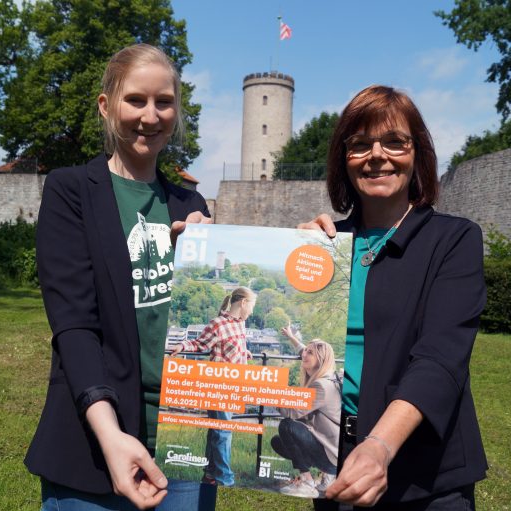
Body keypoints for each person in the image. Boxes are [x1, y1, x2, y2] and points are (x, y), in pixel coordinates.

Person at [25, 44, 215, 511]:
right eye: (136, 100)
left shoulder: (192, 207)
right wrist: (110, 435)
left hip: (182, 438)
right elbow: (74, 325)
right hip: (96, 439)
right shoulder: (72, 191)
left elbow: (211, 325)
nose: (150, 116)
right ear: (107, 106)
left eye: (164, 102)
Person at [299, 85, 488, 510]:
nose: (377, 155)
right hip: (335, 458)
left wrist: (380, 445)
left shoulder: (453, 240)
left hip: (423, 472)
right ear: (343, 159)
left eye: (395, 142)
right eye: (360, 144)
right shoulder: (327, 245)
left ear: (417, 154)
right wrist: (291, 264)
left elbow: (440, 358)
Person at [171, 286, 257, 487]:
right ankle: (225, 479)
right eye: (252, 305)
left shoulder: (241, 325)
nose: (252, 311)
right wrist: (182, 346)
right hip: (219, 386)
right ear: (243, 302)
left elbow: (234, 347)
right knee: (223, 432)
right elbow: (200, 344)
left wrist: (245, 352)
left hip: (234, 386)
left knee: (217, 430)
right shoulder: (218, 324)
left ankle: (210, 474)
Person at [272, 325, 341, 499]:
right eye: (306, 351)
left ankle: (307, 482)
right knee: (277, 442)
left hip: (331, 456)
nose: (304, 355)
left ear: (320, 359)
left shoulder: (321, 386)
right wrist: (291, 337)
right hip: (332, 451)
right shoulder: (326, 376)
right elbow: (303, 350)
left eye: (310, 353)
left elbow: (292, 413)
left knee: (287, 426)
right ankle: (326, 478)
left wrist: (271, 395)